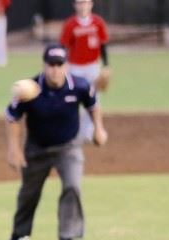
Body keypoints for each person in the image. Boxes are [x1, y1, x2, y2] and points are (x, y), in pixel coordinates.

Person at [2, 45, 107, 240]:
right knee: (29, 193)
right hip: (37, 148)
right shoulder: (29, 89)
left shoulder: (79, 85)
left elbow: (93, 104)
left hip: (68, 146)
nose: (55, 70)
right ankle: (18, 236)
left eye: (59, 65)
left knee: (72, 186)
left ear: (66, 66)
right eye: (51, 65)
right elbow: (13, 118)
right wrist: (14, 149)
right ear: (44, 66)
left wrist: (99, 128)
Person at [59, 0, 110, 142]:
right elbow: (63, 46)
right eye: (80, 3)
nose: (83, 6)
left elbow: (103, 45)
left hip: (93, 66)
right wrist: (62, 66)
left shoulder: (98, 22)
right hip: (74, 67)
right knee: (72, 98)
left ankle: (91, 131)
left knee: (93, 98)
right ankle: (72, 130)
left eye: (86, 2)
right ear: (75, 6)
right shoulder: (70, 24)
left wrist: (106, 65)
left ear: (91, 4)